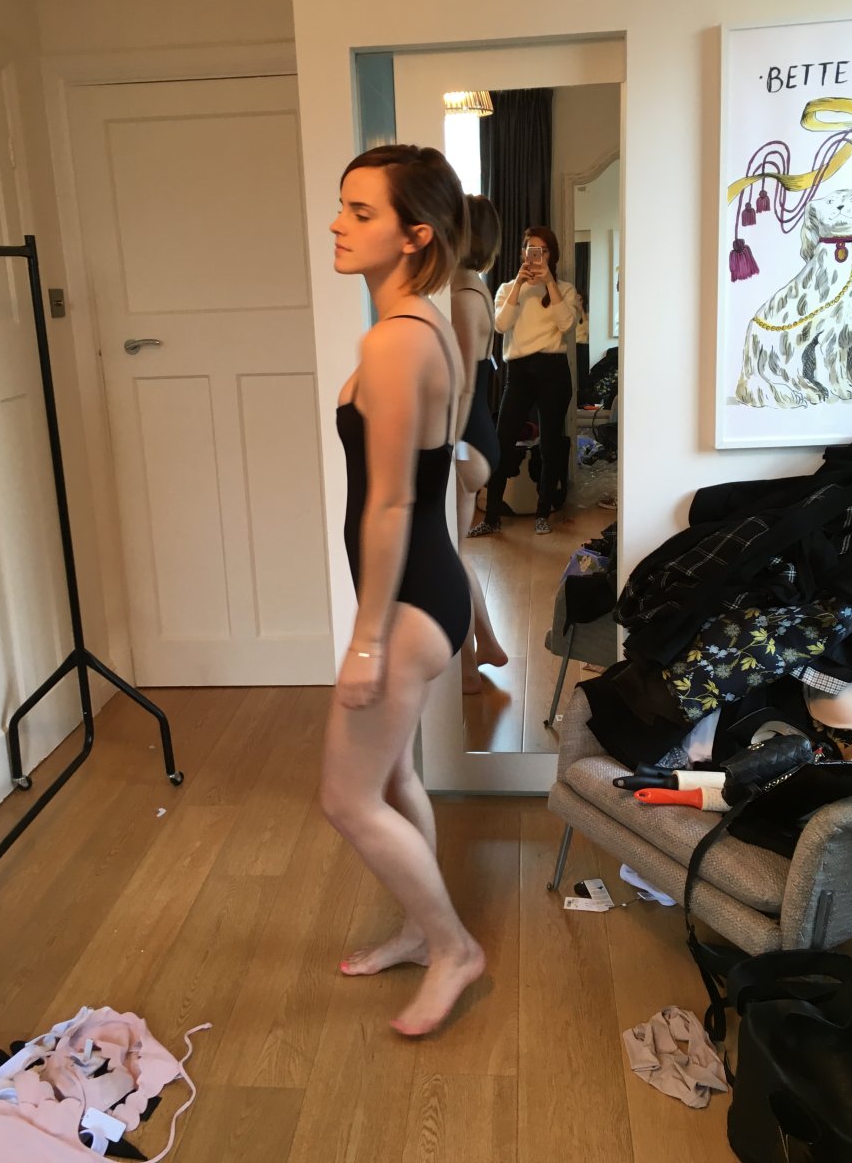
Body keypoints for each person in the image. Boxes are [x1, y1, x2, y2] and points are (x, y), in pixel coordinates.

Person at [324, 144, 485, 1037]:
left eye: (361, 212)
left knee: (346, 799)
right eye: (341, 206)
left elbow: (389, 502)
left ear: (414, 234)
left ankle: (454, 947)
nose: (338, 225)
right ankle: (423, 933)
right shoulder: (427, 321)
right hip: (429, 587)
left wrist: (367, 638)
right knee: (389, 777)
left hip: (411, 601)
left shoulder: (394, 341)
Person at [469, 226, 582, 537]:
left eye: (542, 251)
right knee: (501, 442)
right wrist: (519, 284)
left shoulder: (564, 289)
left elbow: (567, 325)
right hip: (518, 373)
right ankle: (491, 517)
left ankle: (543, 513)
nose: (536, 256)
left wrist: (549, 283)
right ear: (522, 254)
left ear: (551, 255)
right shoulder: (508, 288)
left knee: (550, 445)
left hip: (553, 371)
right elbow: (501, 324)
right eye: (531, 250)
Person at [449, 194, 509, 692]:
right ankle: (484, 644)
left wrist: (447, 441)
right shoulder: (477, 289)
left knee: (451, 555)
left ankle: (469, 666)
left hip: (467, 435)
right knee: (457, 552)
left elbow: (464, 383)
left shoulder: (463, 297)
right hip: (477, 433)